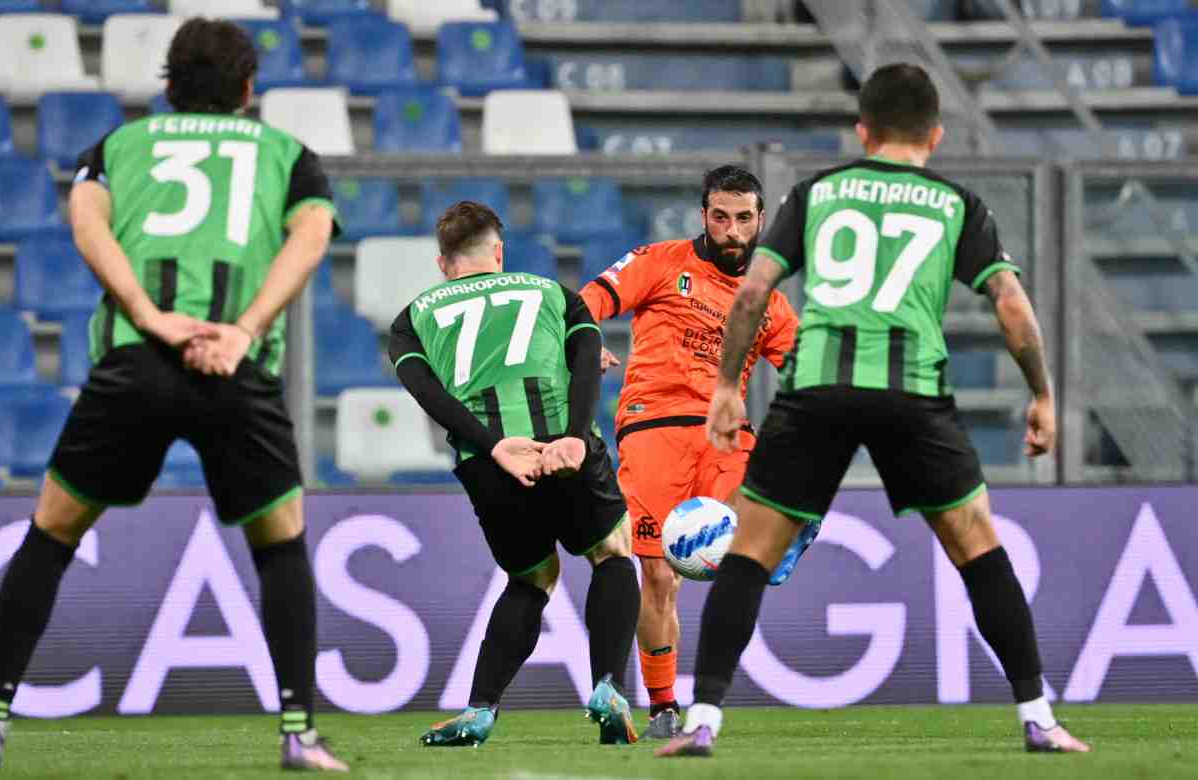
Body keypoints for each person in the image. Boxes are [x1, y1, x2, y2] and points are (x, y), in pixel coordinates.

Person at [0, 18, 348, 775]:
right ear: (248, 90)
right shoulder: (287, 154)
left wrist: (148, 313)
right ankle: (299, 733)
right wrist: (243, 328)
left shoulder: (119, 147)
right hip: (238, 367)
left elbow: (85, 220)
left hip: (137, 363)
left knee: (53, 530)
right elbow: (313, 233)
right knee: (282, 542)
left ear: (167, 88)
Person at [657, 63, 1090, 758]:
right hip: (912, 391)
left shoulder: (818, 192)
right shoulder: (956, 203)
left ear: (863, 131)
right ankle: (1039, 717)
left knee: (749, 553)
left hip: (817, 388)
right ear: (937, 135)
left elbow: (750, 295)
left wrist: (728, 387)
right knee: (976, 546)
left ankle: (702, 719)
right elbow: (1010, 304)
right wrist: (1041, 394)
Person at [389, 201, 641, 748]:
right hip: (562, 442)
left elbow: (426, 392)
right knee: (612, 554)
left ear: (443, 263)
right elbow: (588, 349)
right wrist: (575, 433)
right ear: (498, 252)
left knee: (531, 578)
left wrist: (493, 446)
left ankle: (480, 710)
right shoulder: (552, 292)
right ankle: (607, 687)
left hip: (490, 461)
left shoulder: (413, 316)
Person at [578, 165, 802, 739]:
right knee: (656, 574)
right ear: (704, 214)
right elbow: (588, 302)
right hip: (653, 426)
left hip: (726, 433)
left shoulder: (766, 299)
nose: (731, 229)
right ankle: (662, 707)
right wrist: (587, 339)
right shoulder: (659, 261)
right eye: (720, 216)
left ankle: (789, 525)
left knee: (749, 549)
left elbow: (804, 369)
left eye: (744, 218)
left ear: (760, 220)